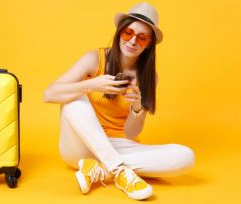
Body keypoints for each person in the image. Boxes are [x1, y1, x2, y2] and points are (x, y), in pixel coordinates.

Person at [43, 2, 195, 200]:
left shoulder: (149, 77)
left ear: (149, 43)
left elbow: (132, 133)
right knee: (74, 97)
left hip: (119, 145)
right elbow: (49, 94)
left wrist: (137, 108)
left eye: (142, 37)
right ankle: (119, 169)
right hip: (81, 146)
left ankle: (99, 169)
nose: (133, 41)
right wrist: (91, 85)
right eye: (128, 33)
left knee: (185, 156)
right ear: (119, 32)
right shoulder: (94, 59)